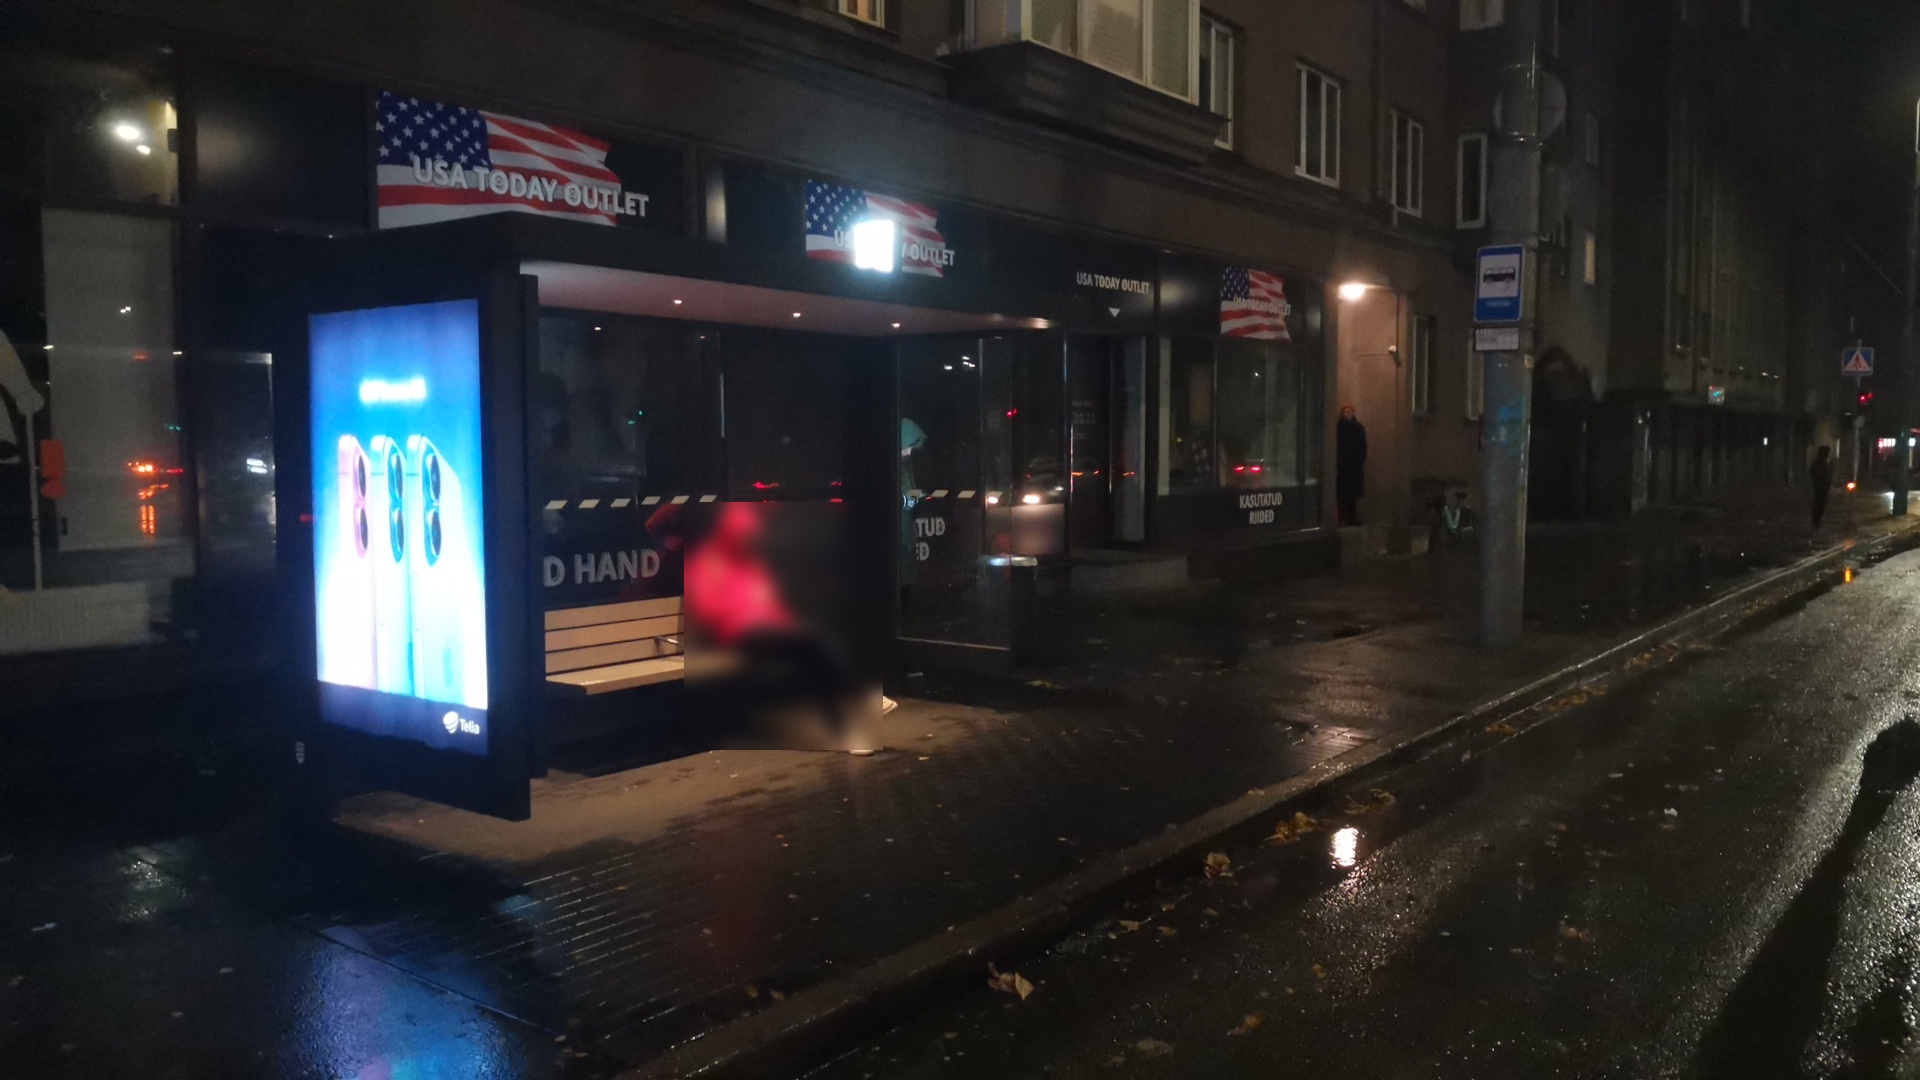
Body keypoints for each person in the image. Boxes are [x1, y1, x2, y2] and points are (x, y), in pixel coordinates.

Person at [1335, 403, 1368, 526]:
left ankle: (1350, 518)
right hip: (1343, 466)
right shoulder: (1339, 428)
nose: (1346, 414)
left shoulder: (1358, 428)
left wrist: (1359, 461)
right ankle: (1342, 518)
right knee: (1342, 494)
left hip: (1353, 466)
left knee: (1351, 495)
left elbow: (1362, 448)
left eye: (1348, 412)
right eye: (1344, 412)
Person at [1809, 445, 1834, 529]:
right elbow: (1815, 473)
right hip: (1820, 487)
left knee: (1819, 505)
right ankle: (1816, 523)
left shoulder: (1822, 462)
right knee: (1819, 505)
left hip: (1821, 487)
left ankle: (1816, 523)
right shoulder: (1820, 462)